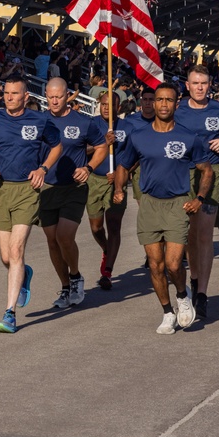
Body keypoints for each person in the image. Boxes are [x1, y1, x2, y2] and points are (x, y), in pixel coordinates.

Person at [113, 83, 212, 335]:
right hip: (149, 204)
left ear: (176, 104)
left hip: (178, 205)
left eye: (169, 100)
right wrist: (119, 188)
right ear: (152, 103)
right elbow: (124, 165)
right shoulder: (139, 136)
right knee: (155, 265)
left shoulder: (189, 136)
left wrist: (199, 198)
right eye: (159, 100)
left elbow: (207, 170)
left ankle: (182, 296)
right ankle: (168, 312)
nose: (164, 104)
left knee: (173, 264)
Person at [0, 77, 62, 334]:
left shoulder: (40, 120)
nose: (10, 97)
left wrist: (43, 168)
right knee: (6, 257)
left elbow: (56, 146)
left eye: (15, 93)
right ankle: (24, 274)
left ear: (25, 96)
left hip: (26, 190)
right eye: (7, 93)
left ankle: (9, 313)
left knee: (16, 250)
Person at [174, 64, 219, 322]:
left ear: (209, 85)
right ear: (187, 85)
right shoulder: (177, 108)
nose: (200, 87)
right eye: (195, 83)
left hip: (211, 174)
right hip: (181, 173)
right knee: (187, 235)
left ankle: (201, 294)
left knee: (204, 234)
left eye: (204, 83)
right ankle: (192, 278)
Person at [41, 78, 107, 308]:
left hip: (74, 188)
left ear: (68, 95)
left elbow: (101, 147)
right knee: (52, 241)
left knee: (64, 236)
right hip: (47, 188)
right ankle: (65, 286)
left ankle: (76, 276)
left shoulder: (83, 122)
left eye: (59, 96)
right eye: (50, 97)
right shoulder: (41, 120)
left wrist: (89, 168)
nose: (54, 101)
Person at [86, 91, 128, 290]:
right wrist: (102, 143)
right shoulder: (91, 124)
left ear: (118, 108)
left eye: (110, 105)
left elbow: (134, 157)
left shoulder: (128, 127)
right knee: (96, 227)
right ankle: (106, 249)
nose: (105, 107)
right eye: (103, 104)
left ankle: (107, 272)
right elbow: (82, 149)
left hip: (116, 182)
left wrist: (121, 175)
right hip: (94, 181)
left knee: (114, 226)